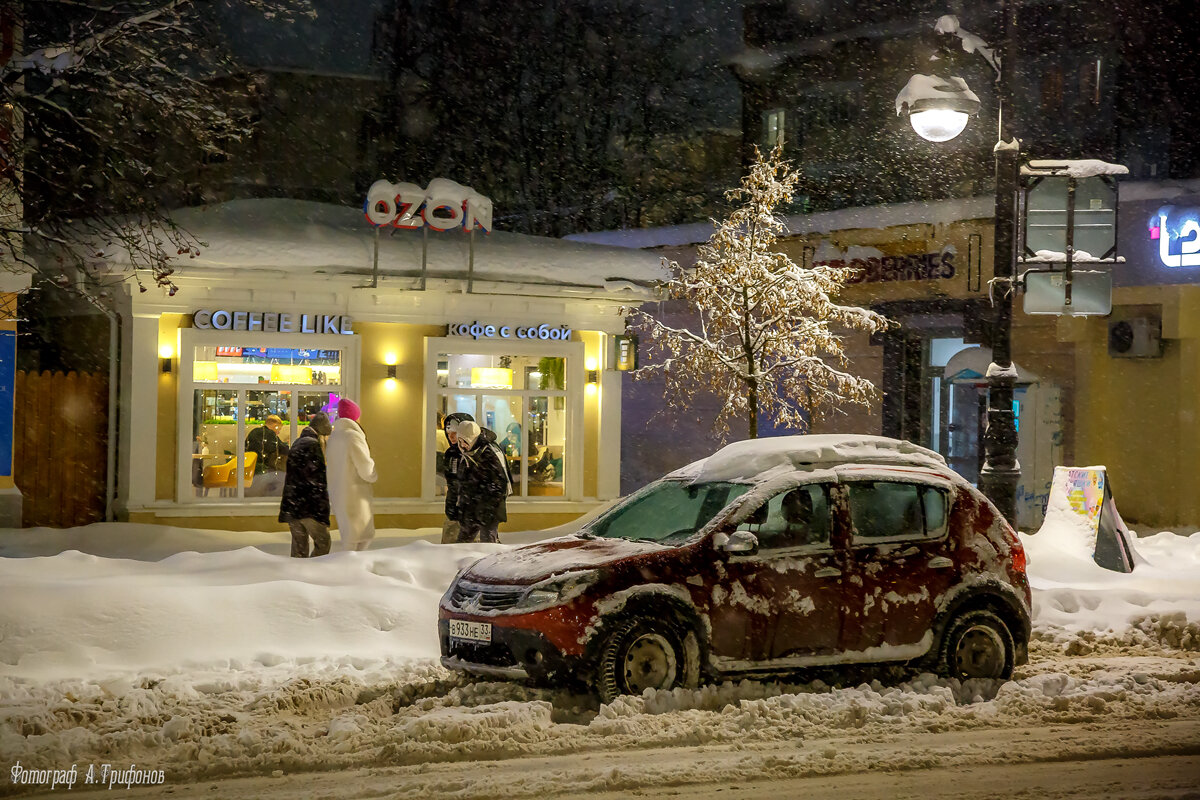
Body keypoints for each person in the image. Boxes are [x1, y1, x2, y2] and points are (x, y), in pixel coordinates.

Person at [277, 412, 334, 558]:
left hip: (294, 505)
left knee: (299, 548)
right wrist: (320, 506)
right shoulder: (312, 445)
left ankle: (298, 571)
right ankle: (313, 569)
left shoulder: (298, 442)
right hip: (308, 506)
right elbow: (315, 480)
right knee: (323, 542)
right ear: (321, 433)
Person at [325, 398, 378, 552]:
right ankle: (350, 566)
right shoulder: (353, 437)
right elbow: (365, 467)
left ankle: (350, 564)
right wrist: (372, 474)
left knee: (350, 536)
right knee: (359, 538)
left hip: (339, 492)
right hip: (355, 493)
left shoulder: (334, 437)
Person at [454, 419, 511, 544]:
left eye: (465, 441)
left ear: (472, 439)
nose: (462, 445)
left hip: (487, 509)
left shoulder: (489, 453)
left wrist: (486, 506)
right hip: (472, 506)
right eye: (460, 441)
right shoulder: (468, 454)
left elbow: (499, 484)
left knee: (488, 543)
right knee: (463, 543)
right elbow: (463, 481)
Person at [440, 412, 474, 544]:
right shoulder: (451, 454)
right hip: (454, 509)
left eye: (454, 433)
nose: (451, 436)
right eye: (448, 433)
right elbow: (451, 481)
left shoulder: (474, 454)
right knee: (449, 546)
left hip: (472, 513)